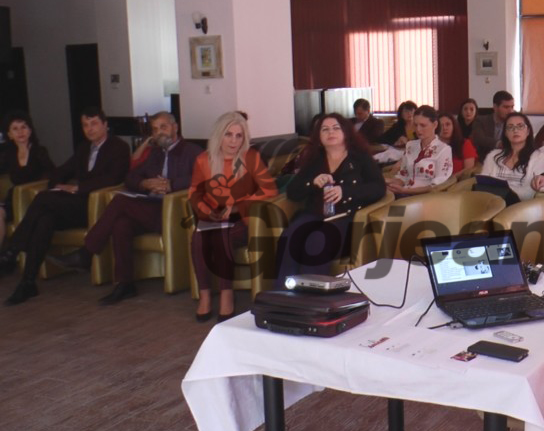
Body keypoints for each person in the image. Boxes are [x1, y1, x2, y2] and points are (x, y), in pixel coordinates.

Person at [45, 112, 202, 305]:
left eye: (163, 127)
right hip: (151, 209)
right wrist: (144, 183)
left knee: (120, 202)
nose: (159, 133)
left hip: (175, 213)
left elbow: (203, 178)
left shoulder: (192, 151)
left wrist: (172, 184)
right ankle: (125, 284)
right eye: (155, 129)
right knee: (121, 224)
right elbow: (130, 177)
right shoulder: (156, 154)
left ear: (175, 127)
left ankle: (86, 253)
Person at [1, 107, 130, 306]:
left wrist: (78, 187)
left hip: (98, 205)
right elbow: (60, 171)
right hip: (75, 205)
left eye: (94, 124)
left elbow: (114, 178)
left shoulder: (118, 147)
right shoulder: (83, 148)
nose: (89, 129)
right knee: (45, 220)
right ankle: (27, 282)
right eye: (85, 125)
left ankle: (13, 249)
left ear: (105, 125)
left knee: (43, 199)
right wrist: (57, 185)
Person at [275, 114, 385, 285]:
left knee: (317, 240)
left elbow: (379, 188)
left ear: (346, 132)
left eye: (335, 128)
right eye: (324, 129)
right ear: (318, 137)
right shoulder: (314, 159)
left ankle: (311, 295)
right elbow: (292, 192)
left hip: (345, 218)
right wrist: (312, 183)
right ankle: (283, 294)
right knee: (290, 236)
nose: (330, 132)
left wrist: (345, 191)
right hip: (313, 215)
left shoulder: (360, 158)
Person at [189, 111, 278, 322]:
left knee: (222, 235)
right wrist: (207, 210)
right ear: (219, 135)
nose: (233, 141)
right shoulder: (203, 160)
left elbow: (270, 189)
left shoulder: (251, 157)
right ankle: (205, 295)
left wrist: (237, 206)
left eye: (239, 136)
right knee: (198, 238)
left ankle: (226, 294)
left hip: (242, 219)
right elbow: (194, 192)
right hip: (212, 216)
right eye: (228, 135)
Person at [0, 111, 54, 253]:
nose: (20, 132)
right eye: (15, 129)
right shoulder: (7, 155)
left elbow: (52, 174)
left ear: (30, 131)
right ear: (9, 134)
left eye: (24, 127)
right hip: (14, 198)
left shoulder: (39, 151)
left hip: (35, 198)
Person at [480, 113, 544, 203]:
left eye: (520, 126)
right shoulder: (493, 156)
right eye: (510, 127)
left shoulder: (538, 157)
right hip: (492, 204)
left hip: (521, 206)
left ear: (528, 131)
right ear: (505, 133)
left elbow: (532, 191)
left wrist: (506, 193)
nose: (515, 130)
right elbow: (483, 185)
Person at [385, 105, 452, 196]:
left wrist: (405, 191)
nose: (418, 129)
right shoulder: (410, 145)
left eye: (423, 125)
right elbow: (403, 176)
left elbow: (436, 185)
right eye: (415, 125)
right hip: (404, 192)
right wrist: (389, 182)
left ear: (435, 125)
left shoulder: (443, 150)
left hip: (426, 197)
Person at [471, 90, 515, 159]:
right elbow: (479, 139)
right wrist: (499, 144)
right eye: (506, 107)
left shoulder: (514, 122)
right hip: (484, 159)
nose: (510, 111)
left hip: (507, 159)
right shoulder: (480, 121)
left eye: (512, 107)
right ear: (495, 107)